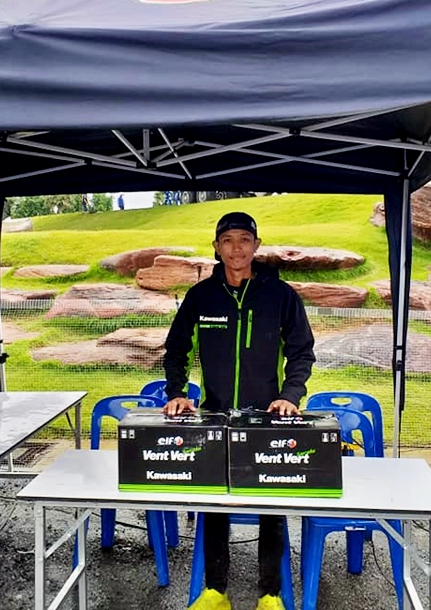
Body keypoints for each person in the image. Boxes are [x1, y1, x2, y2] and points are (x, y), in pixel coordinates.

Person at [162, 211, 316, 610]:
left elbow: (301, 351)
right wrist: (177, 392)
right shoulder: (201, 296)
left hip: (267, 419)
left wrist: (290, 395)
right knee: (215, 505)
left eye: (244, 240)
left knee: (271, 508)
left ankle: (270, 594)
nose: (236, 248)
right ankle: (215, 591)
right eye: (228, 240)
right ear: (216, 247)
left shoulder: (280, 296)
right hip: (215, 417)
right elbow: (176, 349)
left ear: (256, 246)